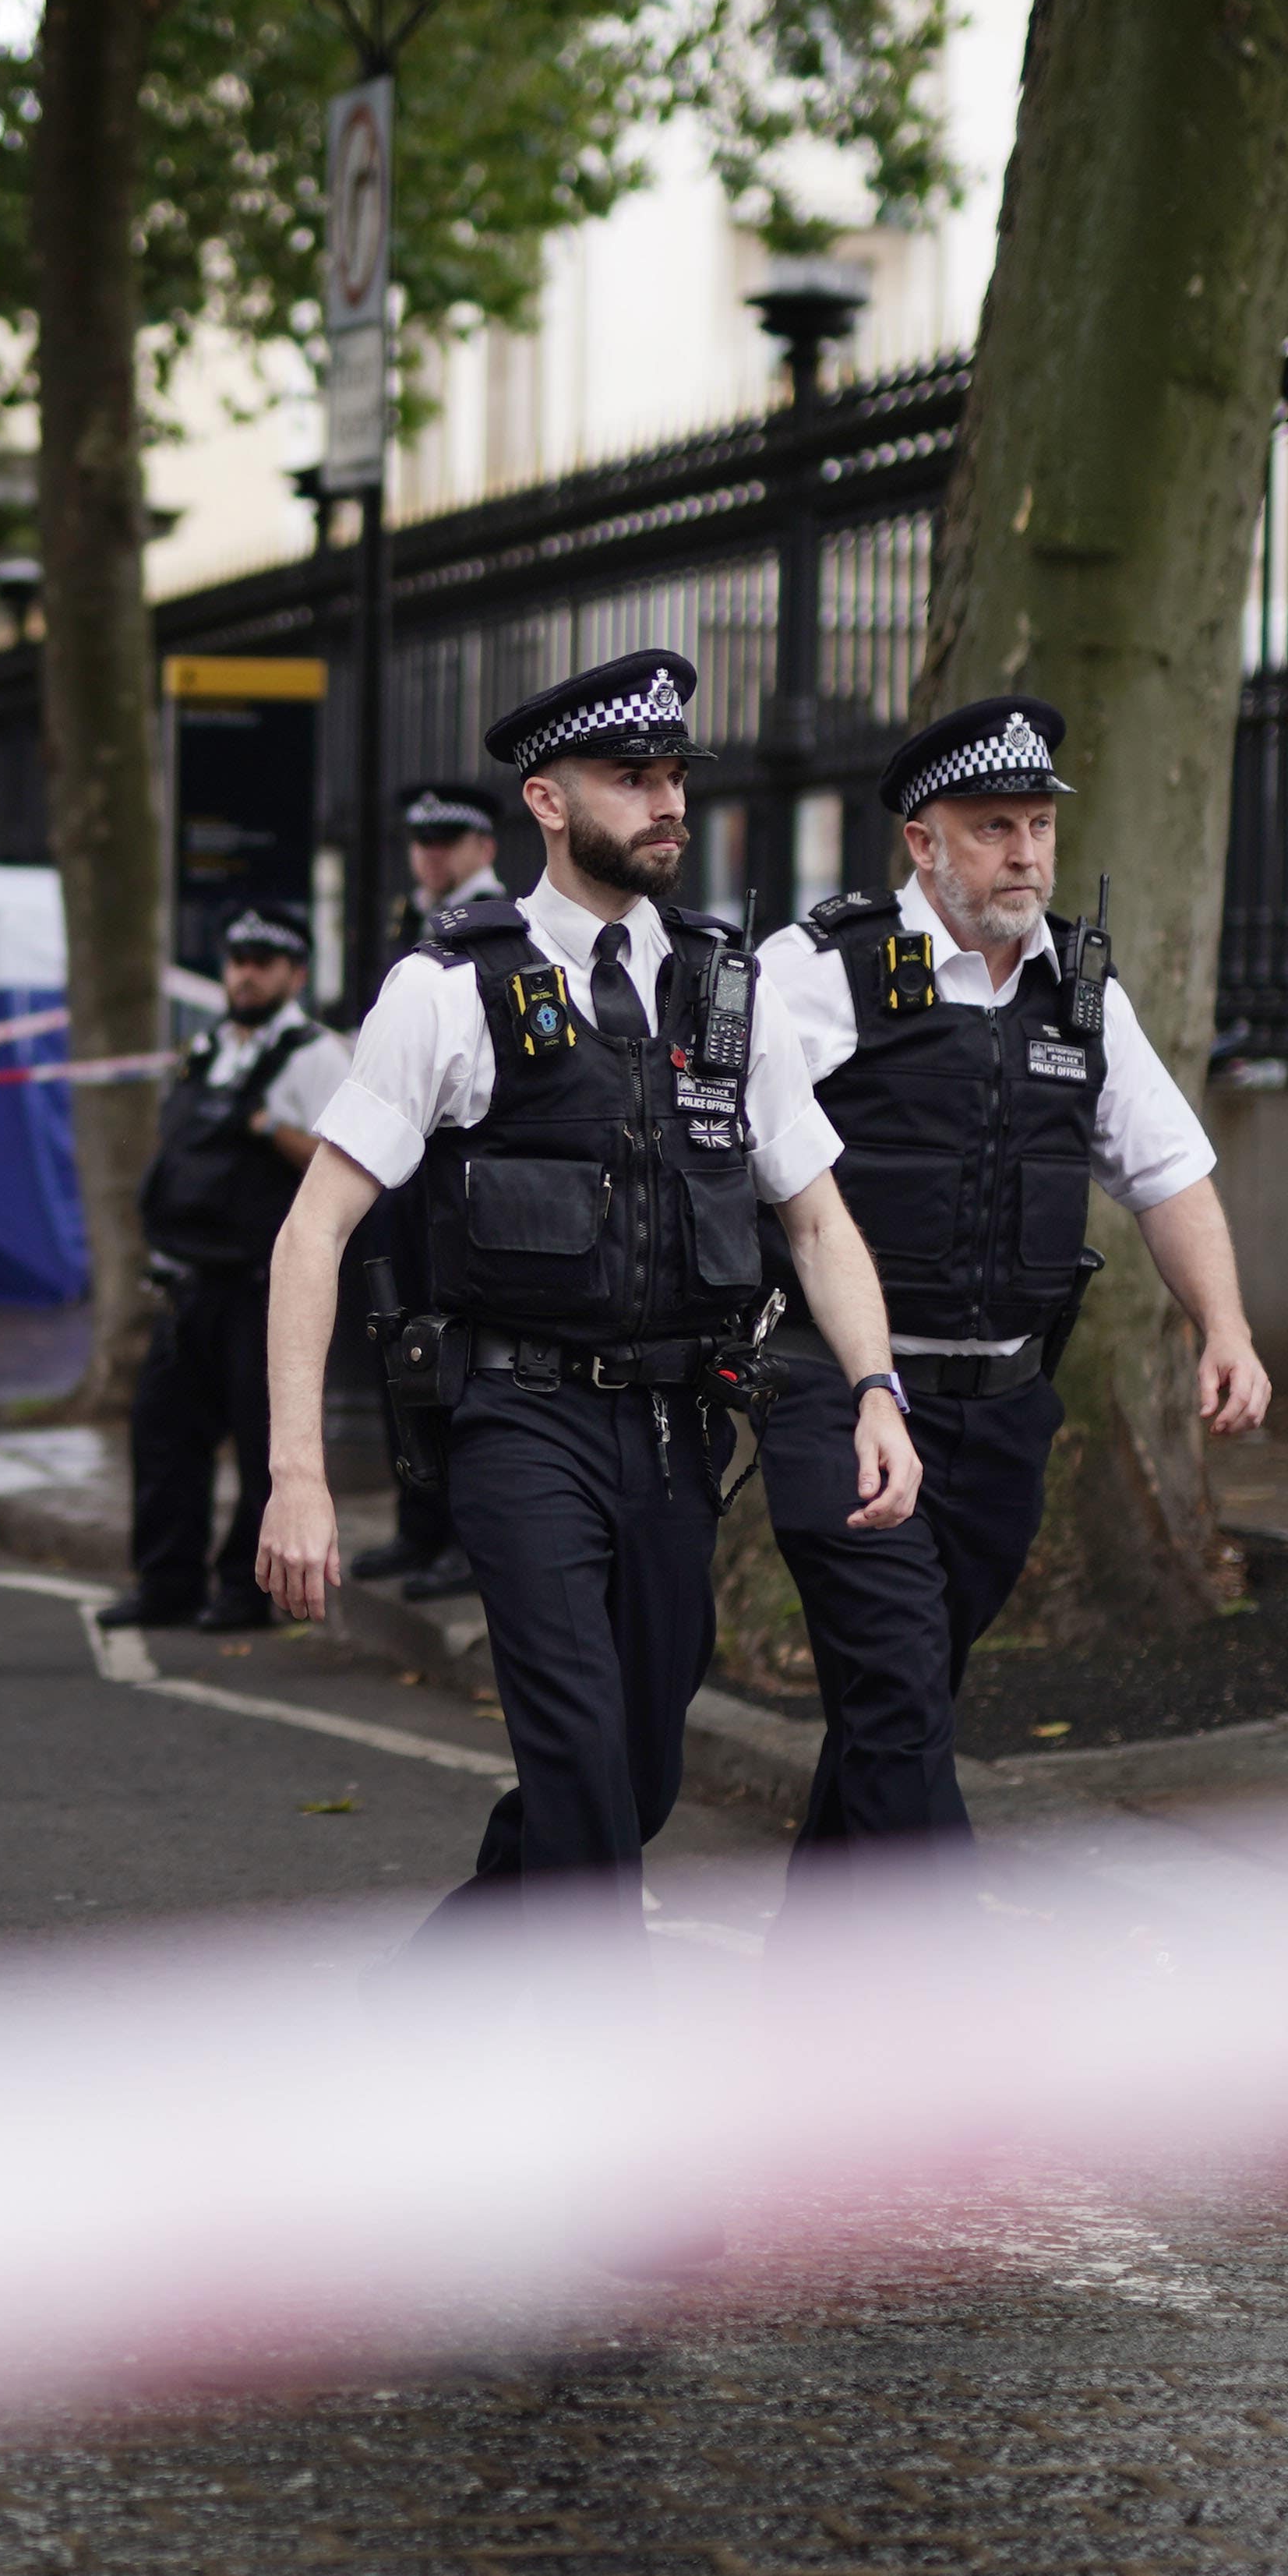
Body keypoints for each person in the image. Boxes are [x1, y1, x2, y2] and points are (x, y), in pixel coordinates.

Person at [256, 651, 919, 1954]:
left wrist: (877, 1390)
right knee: (578, 1769)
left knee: (636, 1780)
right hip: (517, 1420)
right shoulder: (450, 986)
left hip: (676, 1430)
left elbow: (818, 1216)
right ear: (549, 802)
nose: (667, 801)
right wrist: (297, 1472)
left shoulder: (728, 993)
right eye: (634, 779)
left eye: (675, 776)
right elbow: (312, 1229)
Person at [751, 692, 1272, 1868]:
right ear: (921, 842)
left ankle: (808, 2005)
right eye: (994, 826)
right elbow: (715, 1148)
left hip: (1003, 1421)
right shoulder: (815, 972)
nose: (1027, 852)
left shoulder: (1083, 995)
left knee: (906, 1699)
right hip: (839, 1402)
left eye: (1039, 824)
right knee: (895, 1698)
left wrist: (1225, 1329)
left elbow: (1169, 1170)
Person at [105, 908, 347, 1635]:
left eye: (264, 962)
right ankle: (166, 1583)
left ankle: (247, 1593)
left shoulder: (315, 1056)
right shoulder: (205, 1048)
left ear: (295, 974)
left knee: (261, 1439)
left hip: (259, 1289)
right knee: (163, 1437)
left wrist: (272, 1129)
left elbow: (346, 1165)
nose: (245, 974)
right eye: (237, 959)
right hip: (186, 1285)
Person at [344, 779, 514, 1600]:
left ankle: (458, 1535)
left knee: (446, 1352)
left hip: (455, 1166)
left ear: (484, 847)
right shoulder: (408, 924)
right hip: (402, 1168)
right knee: (398, 1339)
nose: (432, 854)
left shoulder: (491, 930)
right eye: (422, 840)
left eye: (449, 839)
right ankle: (420, 1523)